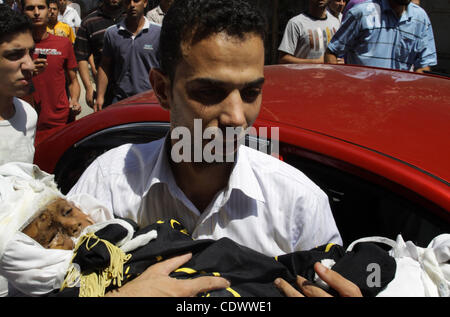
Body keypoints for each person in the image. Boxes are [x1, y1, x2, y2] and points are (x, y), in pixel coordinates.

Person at [68, 0, 367, 297]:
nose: (237, 117)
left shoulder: (300, 204)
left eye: (251, 92)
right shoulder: (107, 184)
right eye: (210, 92)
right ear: (162, 89)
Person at [325, 0, 437, 73]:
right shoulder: (362, 13)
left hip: (398, 99)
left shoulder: (420, 19)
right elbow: (332, 52)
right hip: (361, 97)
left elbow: (424, 64)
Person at [22, 0, 81, 134]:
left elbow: (73, 81)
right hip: (26, 122)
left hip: (61, 121)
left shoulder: (64, 43)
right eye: (30, 8)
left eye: (41, 7)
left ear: (49, 11)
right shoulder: (16, 46)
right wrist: (28, 74)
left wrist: (75, 101)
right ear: (22, 12)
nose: (36, 13)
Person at [94, 0, 160, 111]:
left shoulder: (158, 32)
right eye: (128, 2)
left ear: (145, 3)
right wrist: (100, 97)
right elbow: (105, 66)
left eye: (136, 1)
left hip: (151, 102)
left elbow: (168, 68)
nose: (132, 5)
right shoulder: (113, 33)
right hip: (122, 101)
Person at [74, 0, 124, 109]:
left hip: (133, 89)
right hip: (105, 91)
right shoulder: (89, 22)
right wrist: (88, 88)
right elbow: (81, 57)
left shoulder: (131, 18)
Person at [278, 0, 341, 64]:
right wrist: (316, 62)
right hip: (304, 73)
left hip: (331, 73)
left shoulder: (335, 22)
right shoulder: (296, 23)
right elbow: (283, 59)